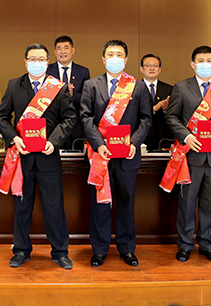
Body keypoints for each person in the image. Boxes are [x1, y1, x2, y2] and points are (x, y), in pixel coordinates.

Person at [0, 43, 76, 269]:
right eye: (32, 59)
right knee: (22, 208)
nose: (36, 63)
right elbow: (2, 117)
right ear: (25, 61)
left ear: (48, 62)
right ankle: (21, 250)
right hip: (23, 159)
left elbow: (70, 118)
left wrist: (54, 141)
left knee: (54, 207)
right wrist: (14, 138)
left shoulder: (57, 87)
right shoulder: (14, 85)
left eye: (41, 59)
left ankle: (60, 251)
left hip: (48, 157)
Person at [80, 40, 152, 267]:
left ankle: (127, 248)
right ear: (103, 59)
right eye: (110, 54)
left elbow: (146, 119)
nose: (115, 58)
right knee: (100, 203)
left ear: (126, 59)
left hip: (127, 155)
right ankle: (99, 249)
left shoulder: (137, 86)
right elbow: (85, 118)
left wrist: (134, 143)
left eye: (119, 54)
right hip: (100, 155)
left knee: (126, 202)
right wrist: (98, 144)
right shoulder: (91, 85)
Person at [164, 45, 211, 263]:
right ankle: (185, 244)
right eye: (201, 61)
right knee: (186, 203)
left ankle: (206, 244)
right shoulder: (181, 87)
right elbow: (171, 117)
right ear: (193, 64)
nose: (206, 64)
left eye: (209, 61)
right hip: (190, 155)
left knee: (209, 204)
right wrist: (186, 136)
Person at [47, 36, 90, 149]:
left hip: (76, 128)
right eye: (59, 48)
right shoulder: (47, 71)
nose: (63, 51)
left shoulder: (83, 72)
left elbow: (87, 99)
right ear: (55, 52)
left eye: (66, 48)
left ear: (73, 50)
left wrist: (72, 95)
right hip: (53, 128)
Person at [140, 54, 173, 151]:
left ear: (159, 69)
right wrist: (154, 109)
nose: (152, 68)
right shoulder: (134, 88)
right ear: (141, 69)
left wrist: (166, 110)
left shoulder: (169, 89)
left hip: (163, 138)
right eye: (148, 65)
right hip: (142, 138)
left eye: (155, 65)